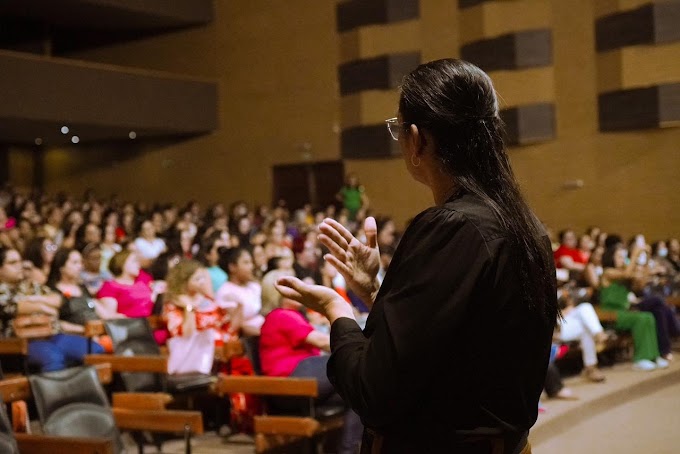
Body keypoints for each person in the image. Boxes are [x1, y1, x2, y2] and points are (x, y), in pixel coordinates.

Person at [276, 59, 557, 453]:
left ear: (417, 139)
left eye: (398, 131)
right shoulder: (527, 225)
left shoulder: (452, 226)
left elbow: (373, 389)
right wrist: (375, 291)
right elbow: (459, 345)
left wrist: (336, 310)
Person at [260, 276, 363, 454]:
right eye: (292, 288)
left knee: (360, 392)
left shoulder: (294, 315)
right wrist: (360, 346)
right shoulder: (280, 315)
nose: (301, 291)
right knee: (357, 369)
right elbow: (322, 341)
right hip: (291, 382)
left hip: (304, 380)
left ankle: (348, 451)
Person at [0, 246, 104, 372]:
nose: (19, 266)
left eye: (20, 261)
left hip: (52, 334)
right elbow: (12, 307)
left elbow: (59, 300)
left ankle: (91, 391)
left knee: (96, 350)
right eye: (12, 263)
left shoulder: (31, 285)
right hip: (20, 343)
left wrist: (34, 301)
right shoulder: (2, 290)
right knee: (52, 357)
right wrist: (44, 306)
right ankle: (60, 392)